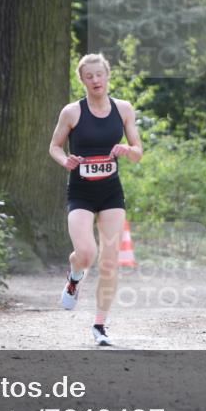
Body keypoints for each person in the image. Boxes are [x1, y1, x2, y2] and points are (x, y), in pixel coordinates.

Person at [48, 53, 143, 346]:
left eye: (99, 75)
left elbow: (138, 151)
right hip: (81, 191)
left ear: (107, 75)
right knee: (86, 253)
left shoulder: (123, 109)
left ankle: (100, 326)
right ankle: (75, 276)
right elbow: (54, 146)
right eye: (89, 76)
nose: (95, 80)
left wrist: (128, 150)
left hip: (111, 192)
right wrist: (65, 161)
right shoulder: (72, 113)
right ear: (82, 80)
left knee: (110, 261)